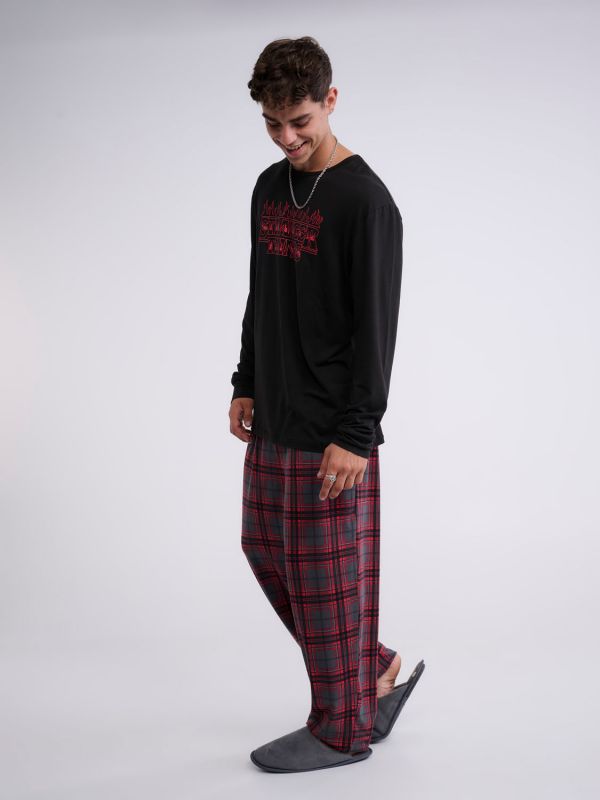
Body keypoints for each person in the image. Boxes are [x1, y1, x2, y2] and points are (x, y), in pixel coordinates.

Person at [228, 36, 424, 773]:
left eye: (300, 121)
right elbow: (261, 292)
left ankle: (342, 729)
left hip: (334, 433)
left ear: (331, 100)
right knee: (265, 550)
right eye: (273, 124)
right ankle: (370, 667)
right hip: (276, 413)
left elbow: (378, 326)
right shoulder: (268, 187)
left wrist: (358, 432)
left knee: (324, 581)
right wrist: (246, 379)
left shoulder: (366, 202)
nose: (287, 138)